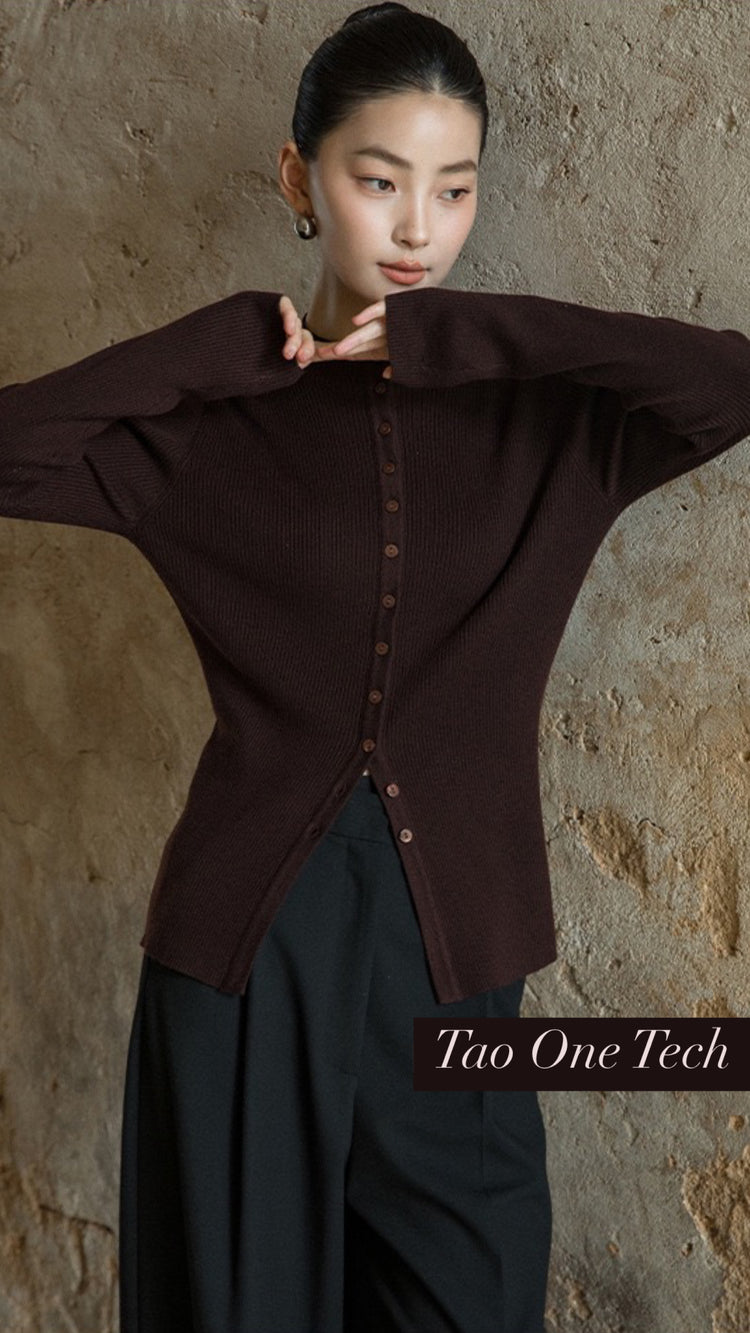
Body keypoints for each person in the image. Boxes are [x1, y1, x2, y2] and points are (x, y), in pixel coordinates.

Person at [1, 4, 749, 1331]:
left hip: (456, 982)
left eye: (453, 188)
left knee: (471, 1296)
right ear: (299, 179)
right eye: (378, 179)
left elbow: (726, 384)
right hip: (243, 970)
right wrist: (232, 344)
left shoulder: (549, 428)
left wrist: (457, 337)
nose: (418, 226)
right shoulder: (207, 432)